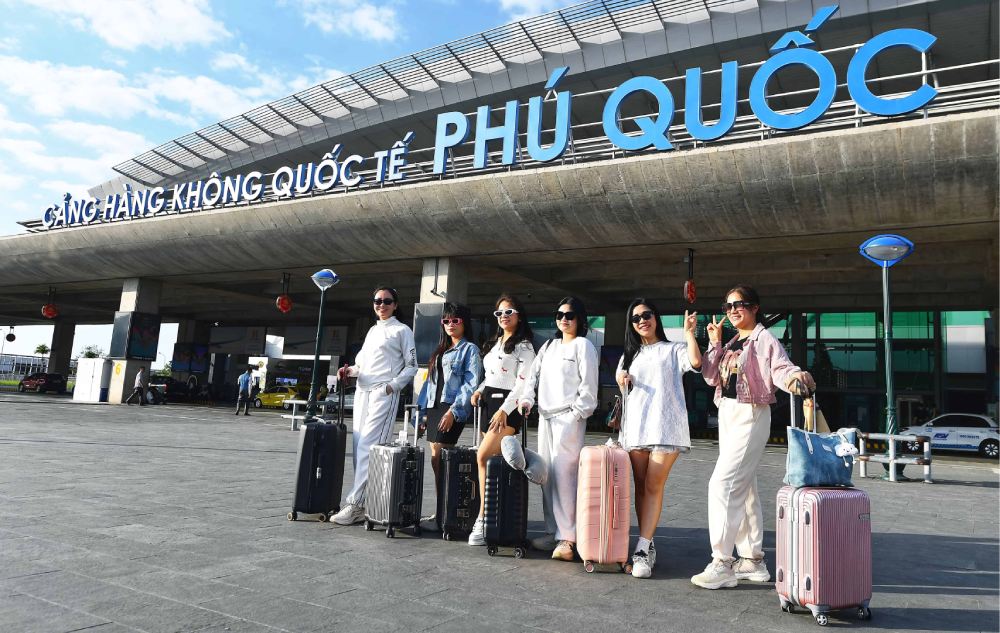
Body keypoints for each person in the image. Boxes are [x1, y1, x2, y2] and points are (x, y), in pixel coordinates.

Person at [691, 284, 815, 590]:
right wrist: (714, 343)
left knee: (723, 483)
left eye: (740, 305)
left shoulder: (765, 339)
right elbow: (709, 376)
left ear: (755, 307)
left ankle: (722, 562)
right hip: (728, 412)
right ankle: (753, 561)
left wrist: (796, 378)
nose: (733, 311)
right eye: (728, 306)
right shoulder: (732, 339)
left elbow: (781, 369)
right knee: (744, 488)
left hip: (751, 414)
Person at [615, 300, 701, 578]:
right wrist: (622, 379)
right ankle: (647, 542)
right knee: (641, 486)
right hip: (636, 428)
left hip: (667, 428)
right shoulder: (630, 354)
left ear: (656, 318)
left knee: (653, 485)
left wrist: (689, 333)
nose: (642, 320)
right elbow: (620, 378)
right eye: (636, 318)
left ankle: (641, 549)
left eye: (647, 315)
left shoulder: (673, 349)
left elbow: (696, 362)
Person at [516, 296, 599, 562]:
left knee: (566, 477)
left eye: (570, 315)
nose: (564, 319)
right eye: (560, 314)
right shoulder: (549, 346)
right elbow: (532, 377)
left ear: (580, 319)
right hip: (545, 416)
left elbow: (589, 388)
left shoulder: (583, 346)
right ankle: (553, 532)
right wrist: (527, 399)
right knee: (546, 476)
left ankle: (568, 537)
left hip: (568, 419)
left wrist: (577, 414)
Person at [332, 286, 418, 526]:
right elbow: (361, 365)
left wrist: (392, 386)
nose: (382, 305)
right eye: (377, 301)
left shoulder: (402, 330)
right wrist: (348, 371)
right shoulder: (372, 330)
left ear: (395, 304)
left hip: (382, 393)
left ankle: (356, 503)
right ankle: (360, 502)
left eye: (387, 301)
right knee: (359, 444)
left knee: (369, 446)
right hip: (362, 391)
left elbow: (412, 365)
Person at [466, 294, 535, 546]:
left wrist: (506, 409)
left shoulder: (525, 346)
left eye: (509, 312)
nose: (504, 316)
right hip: (488, 403)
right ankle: (496, 517)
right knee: (493, 462)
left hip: (508, 407)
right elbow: (492, 375)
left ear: (519, 315)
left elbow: (523, 382)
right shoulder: (495, 343)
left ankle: (483, 518)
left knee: (482, 457)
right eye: (499, 313)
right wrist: (479, 389)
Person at [416, 302, 482, 531]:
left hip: (451, 407)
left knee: (442, 458)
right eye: (446, 321)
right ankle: (442, 510)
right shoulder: (440, 350)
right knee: (436, 460)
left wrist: (453, 411)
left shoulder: (470, 349)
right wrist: (423, 413)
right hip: (435, 407)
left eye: (456, 320)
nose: (451, 324)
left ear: (464, 323)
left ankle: (446, 512)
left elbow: (471, 383)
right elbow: (429, 384)